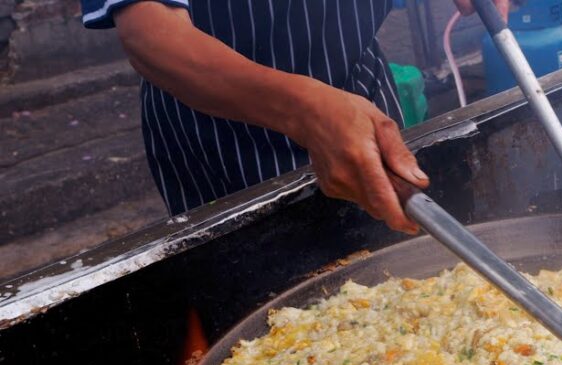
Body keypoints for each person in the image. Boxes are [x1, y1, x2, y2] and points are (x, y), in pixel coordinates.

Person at [80, 0, 505, 232]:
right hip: (226, 138)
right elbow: (152, 37)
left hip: (360, 99)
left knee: (397, 274)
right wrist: (306, 111)